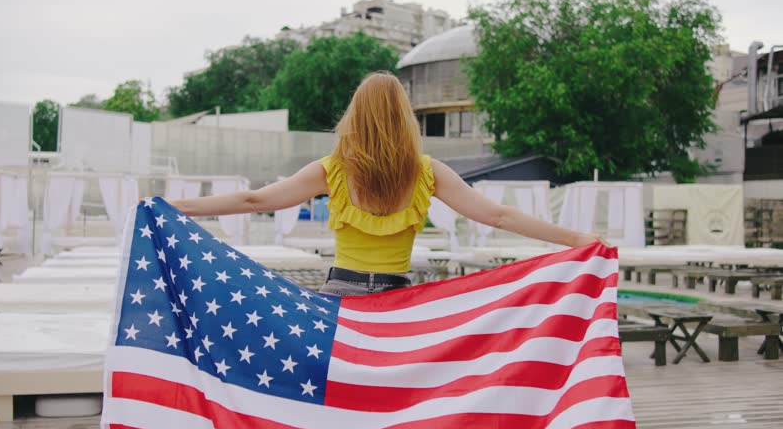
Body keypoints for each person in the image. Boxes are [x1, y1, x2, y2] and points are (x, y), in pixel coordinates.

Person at [168, 71, 603, 296]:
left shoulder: (331, 169)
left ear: (356, 114)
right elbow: (498, 215)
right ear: (404, 116)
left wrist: (176, 208)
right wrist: (578, 239)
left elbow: (252, 199)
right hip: (398, 297)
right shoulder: (428, 171)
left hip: (339, 294)